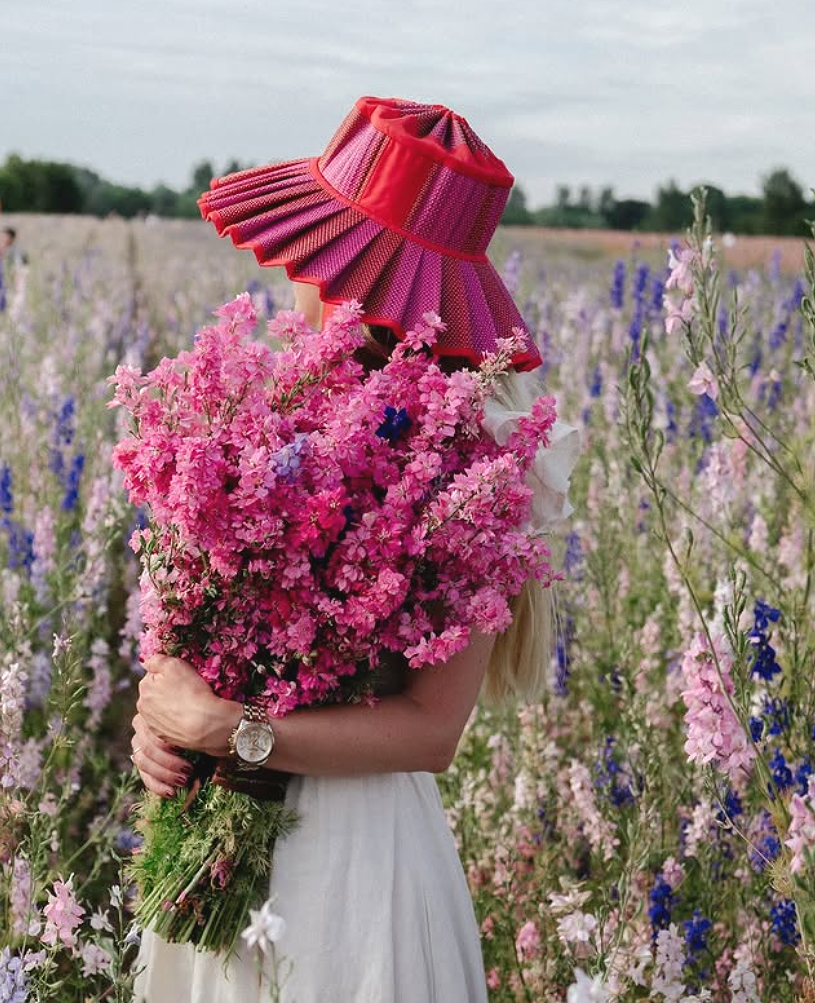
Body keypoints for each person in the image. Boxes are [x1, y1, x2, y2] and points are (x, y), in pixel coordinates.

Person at [130, 96, 579, 1003]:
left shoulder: (473, 467)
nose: (293, 269)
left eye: (316, 244)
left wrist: (231, 730)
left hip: (353, 868)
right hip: (218, 828)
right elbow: (197, 626)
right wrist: (160, 718)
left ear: (355, 274)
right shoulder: (256, 414)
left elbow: (431, 729)